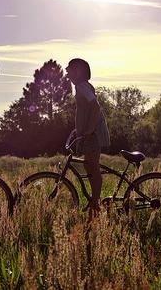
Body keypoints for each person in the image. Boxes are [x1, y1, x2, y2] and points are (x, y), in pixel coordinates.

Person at [65, 58, 110, 219]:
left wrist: (90, 129)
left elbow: (95, 106)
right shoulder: (81, 87)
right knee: (89, 165)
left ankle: (96, 203)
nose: (66, 71)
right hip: (88, 132)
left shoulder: (82, 86)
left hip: (94, 133)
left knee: (92, 165)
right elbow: (85, 111)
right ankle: (94, 200)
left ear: (78, 71)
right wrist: (79, 130)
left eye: (69, 69)